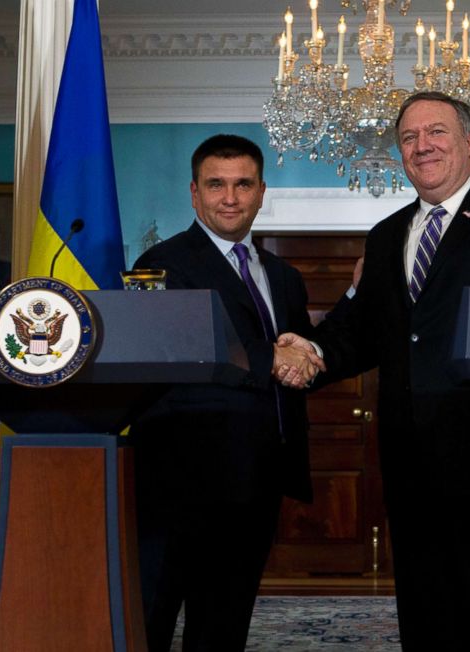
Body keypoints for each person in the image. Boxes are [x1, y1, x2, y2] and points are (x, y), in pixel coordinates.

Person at [277, 92, 470, 649]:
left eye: (437, 132)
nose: (423, 147)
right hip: (409, 462)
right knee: (427, 613)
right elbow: (365, 334)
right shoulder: (386, 234)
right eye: (410, 138)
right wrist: (310, 353)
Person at [129, 134, 323, 652]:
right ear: (194, 193)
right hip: (179, 484)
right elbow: (182, 348)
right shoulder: (162, 265)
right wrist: (272, 359)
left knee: (224, 627)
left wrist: (312, 348)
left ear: (262, 192)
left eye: (243, 184)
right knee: (148, 621)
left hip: (255, 482)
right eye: (217, 185)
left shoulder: (283, 276)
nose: (230, 197)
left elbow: (296, 353)